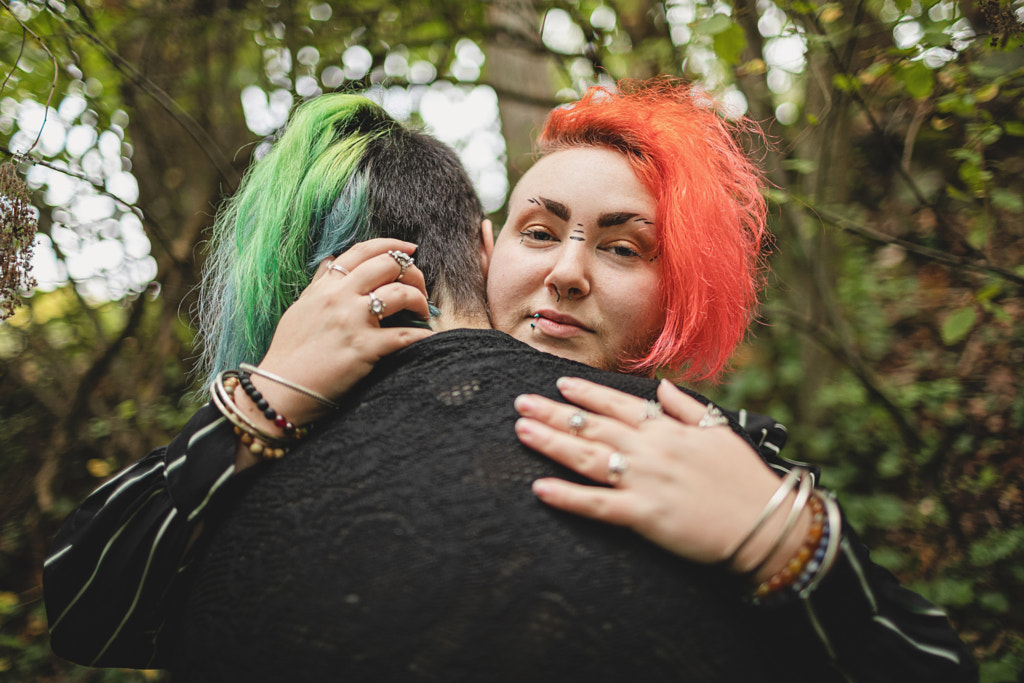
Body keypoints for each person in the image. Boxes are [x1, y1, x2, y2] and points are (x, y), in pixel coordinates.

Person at [44, 83, 977, 681]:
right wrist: (268, 392)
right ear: (486, 252)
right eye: (541, 231)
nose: (568, 273)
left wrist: (790, 536)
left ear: (675, 297)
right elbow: (81, 603)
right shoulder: (304, 434)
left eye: (621, 247)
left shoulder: (718, 447)